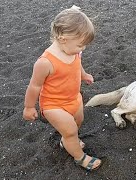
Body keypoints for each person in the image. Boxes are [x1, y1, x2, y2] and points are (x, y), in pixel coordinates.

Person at [22, 5, 102, 171]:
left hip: (74, 98)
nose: (83, 49)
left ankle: (67, 141)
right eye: (81, 45)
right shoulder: (45, 62)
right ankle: (80, 157)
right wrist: (29, 107)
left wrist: (84, 75)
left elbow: (77, 64)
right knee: (71, 131)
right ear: (63, 38)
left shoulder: (73, 51)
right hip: (54, 105)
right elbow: (34, 86)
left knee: (78, 122)